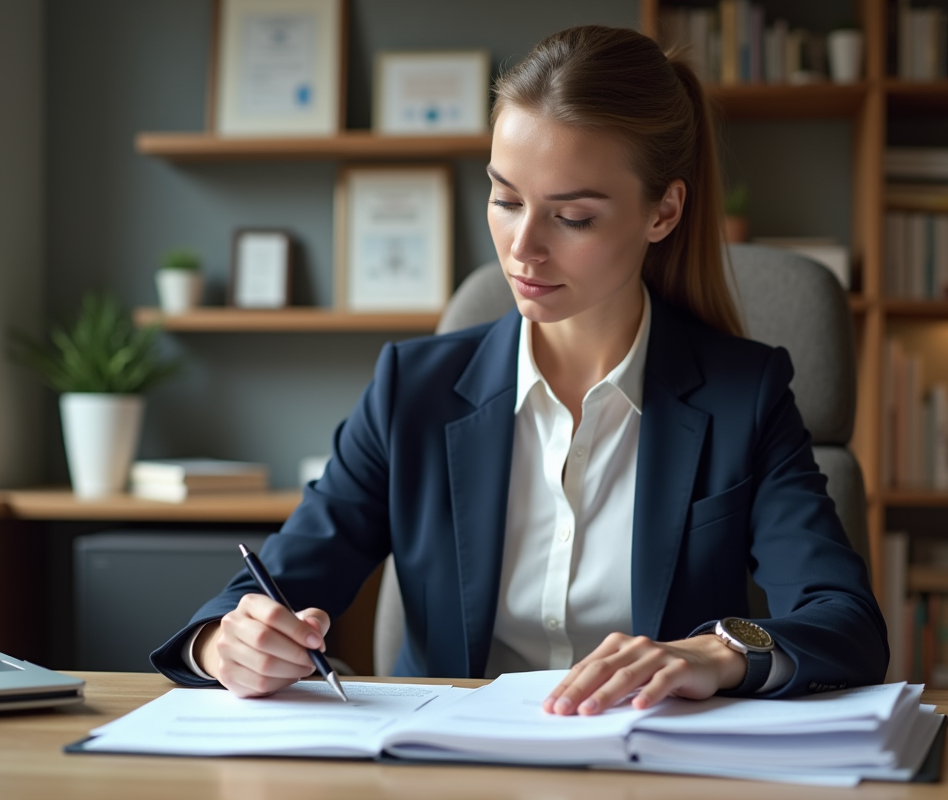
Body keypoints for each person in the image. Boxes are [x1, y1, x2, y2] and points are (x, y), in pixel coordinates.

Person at [151, 25, 888, 716]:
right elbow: (263, 589)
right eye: (505, 199)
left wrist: (720, 650)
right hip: (445, 770)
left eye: (572, 218)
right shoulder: (415, 390)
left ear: (662, 212)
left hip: (650, 770)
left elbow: (844, 622)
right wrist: (225, 642)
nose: (521, 249)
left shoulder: (743, 396)